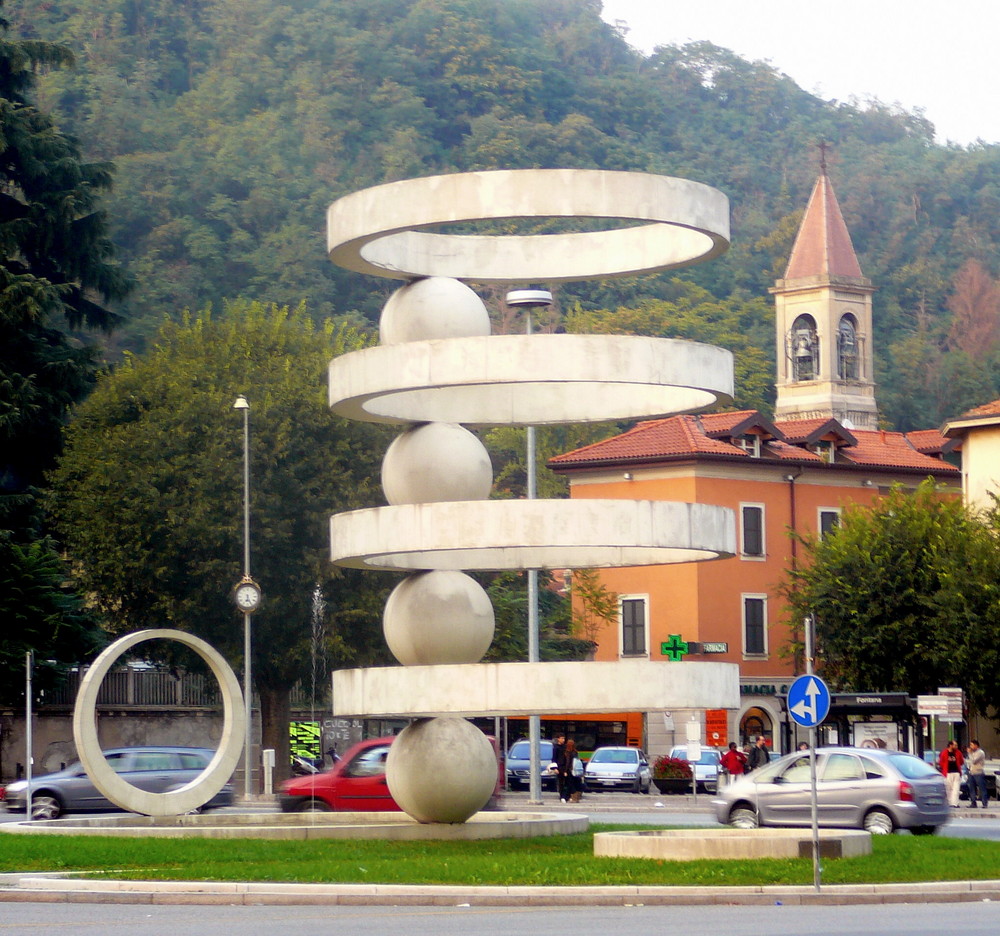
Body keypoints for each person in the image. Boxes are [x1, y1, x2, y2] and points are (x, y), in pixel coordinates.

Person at [939, 739, 964, 808]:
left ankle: (955, 803)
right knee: (948, 789)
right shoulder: (944, 752)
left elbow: (962, 761)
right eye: (955, 745)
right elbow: (941, 762)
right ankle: (949, 803)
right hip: (948, 773)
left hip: (956, 772)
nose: (956, 746)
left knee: (956, 789)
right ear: (950, 745)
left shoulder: (958, 753)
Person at [966, 740, 988, 809]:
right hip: (971, 773)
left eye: (972, 745)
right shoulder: (972, 753)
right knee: (971, 788)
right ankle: (973, 802)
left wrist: (969, 753)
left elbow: (974, 761)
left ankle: (984, 803)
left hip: (978, 773)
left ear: (976, 745)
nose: (970, 747)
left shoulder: (980, 753)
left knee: (982, 788)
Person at [559, 738, 582, 803]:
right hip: (575, 771)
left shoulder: (567, 752)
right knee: (572, 784)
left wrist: (565, 771)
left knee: (567, 784)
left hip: (569, 771)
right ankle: (571, 797)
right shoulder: (575, 752)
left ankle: (564, 797)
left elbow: (567, 763)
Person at [551, 735, 566, 801]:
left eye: (564, 738)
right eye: (562, 738)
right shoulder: (556, 748)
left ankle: (565, 795)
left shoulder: (565, 747)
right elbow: (554, 758)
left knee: (566, 782)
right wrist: (555, 768)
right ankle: (561, 795)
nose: (563, 740)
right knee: (560, 782)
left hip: (565, 767)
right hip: (559, 767)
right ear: (558, 739)